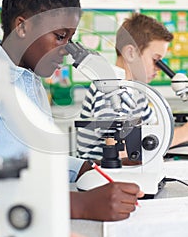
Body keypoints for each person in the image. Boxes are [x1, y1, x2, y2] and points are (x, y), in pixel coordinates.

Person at [0, 0, 142, 221]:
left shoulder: (28, 82)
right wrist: (79, 205)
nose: (66, 50)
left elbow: (36, 163)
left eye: (70, 38)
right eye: (59, 36)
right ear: (23, 27)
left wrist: (88, 168)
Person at [77, 13, 188, 160]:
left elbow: (155, 130)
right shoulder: (109, 89)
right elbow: (116, 151)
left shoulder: (138, 91)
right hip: (102, 177)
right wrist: (184, 133)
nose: (159, 68)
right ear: (130, 53)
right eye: (156, 60)